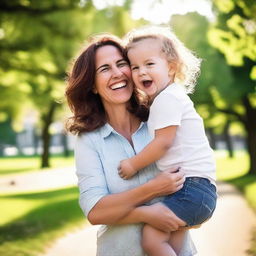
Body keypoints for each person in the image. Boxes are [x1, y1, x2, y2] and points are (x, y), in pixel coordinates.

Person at [65, 33, 197, 256]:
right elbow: (96, 211)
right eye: (104, 69)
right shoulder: (89, 140)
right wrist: (149, 201)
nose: (117, 74)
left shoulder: (162, 120)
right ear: (93, 86)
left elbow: (194, 179)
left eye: (121, 64)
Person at [118, 26, 217, 256]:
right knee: (175, 248)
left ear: (171, 67)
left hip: (191, 189)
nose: (142, 72)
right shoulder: (170, 98)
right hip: (196, 189)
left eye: (149, 64)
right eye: (135, 67)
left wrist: (133, 164)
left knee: (151, 240)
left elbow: (163, 143)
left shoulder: (167, 99)